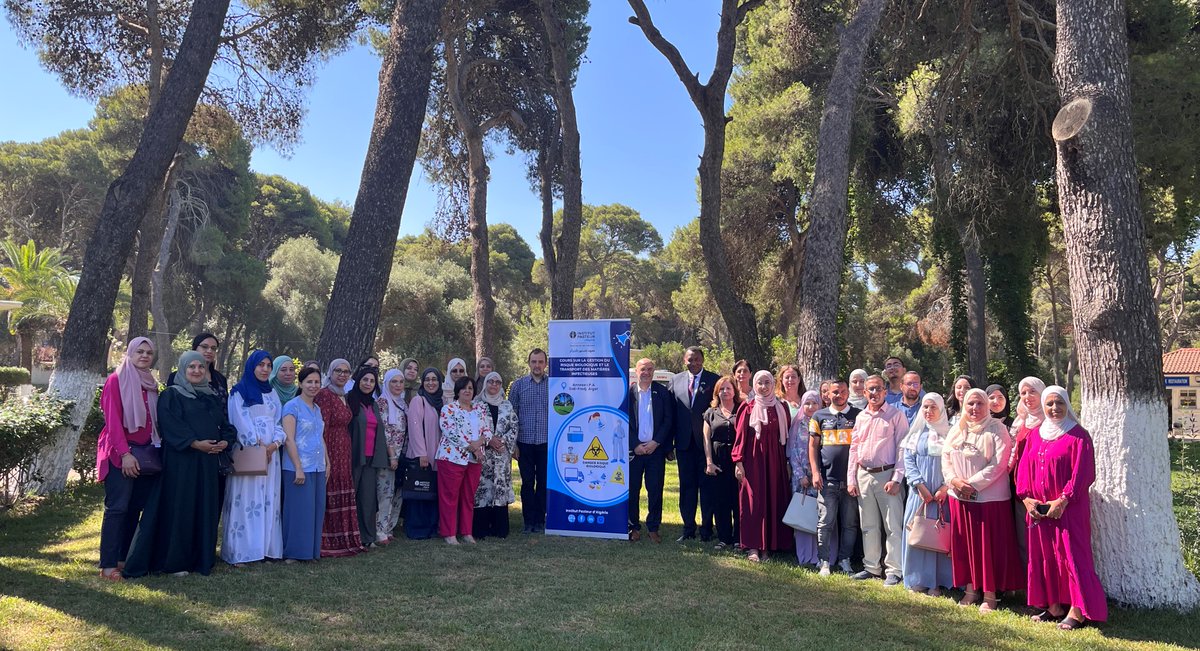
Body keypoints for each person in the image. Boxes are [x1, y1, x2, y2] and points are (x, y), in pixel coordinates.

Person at [122, 351, 236, 578]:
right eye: (191, 367)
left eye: (201, 367)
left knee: (204, 508)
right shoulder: (171, 396)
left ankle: (200, 559)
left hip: (207, 464)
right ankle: (174, 561)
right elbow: (171, 425)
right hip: (181, 464)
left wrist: (225, 440)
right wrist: (195, 444)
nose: (196, 371)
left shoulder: (211, 395)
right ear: (183, 370)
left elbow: (225, 424)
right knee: (181, 509)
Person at [1016, 386, 1107, 630]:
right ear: (1043, 407)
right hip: (1038, 510)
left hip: (1069, 510)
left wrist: (1063, 500)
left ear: (1067, 404)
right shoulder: (1035, 435)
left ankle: (1077, 611)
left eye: (1059, 403)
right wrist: (1026, 499)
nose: (1054, 408)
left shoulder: (1078, 436)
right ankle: (1053, 606)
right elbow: (1023, 470)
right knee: (1045, 556)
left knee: (1071, 556)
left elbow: (1083, 474)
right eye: (1049, 404)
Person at [942, 387, 1023, 612]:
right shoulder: (957, 429)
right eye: (970, 404)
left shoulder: (997, 429)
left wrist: (972, 485)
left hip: (989, 500)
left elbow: (999, 464)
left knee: (989, 548)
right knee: (967, 546)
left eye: (980, 404)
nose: (975, 408)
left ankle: (990, 595)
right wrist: (954, 482)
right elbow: (945, 457)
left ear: (987, 406)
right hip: (959, 497)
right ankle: (970, 590)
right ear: (964, 405)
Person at [96, 336, 161, 581]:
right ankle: (108, 565)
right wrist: (125, 455)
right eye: (139, 352)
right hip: (120, 453)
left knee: (135, 508)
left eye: (148, 352)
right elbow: (113, 422)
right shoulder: (117, 379)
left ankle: (124, 558)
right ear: (130, 353)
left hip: (145, 454)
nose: (144, 356)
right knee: (117, 508)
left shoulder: (151, 383)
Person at [222, 350, 286, 566]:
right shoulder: (239, 392)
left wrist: (274, 444)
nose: (265, 369)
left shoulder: (272, 393)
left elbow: (278, 422)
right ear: (252, 366)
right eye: (261, 365)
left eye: (268, 365)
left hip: (271, 455)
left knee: (268, 499)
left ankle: (265, 549)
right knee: (248, 500)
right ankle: (243, 552)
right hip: (251, 454)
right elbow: (240, 422)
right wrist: (259, 446)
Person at [848, 375, 908, 585]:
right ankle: (872, 567)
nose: (874, 393)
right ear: (864, 393)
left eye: (878, 389)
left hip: (887, 475)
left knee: (892, 525)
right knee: (869, 524)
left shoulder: (895, 415)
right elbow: (854, 448)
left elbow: (902, 448)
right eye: (870, 390)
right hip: (864, 474)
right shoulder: (861, 417)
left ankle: (894, 570)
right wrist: (851, 479)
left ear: (885, 392)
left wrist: (897, 478)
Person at [733, 370, 793, 562]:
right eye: (760, 383)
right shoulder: (748, 407)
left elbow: (787, 437)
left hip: (775, 461)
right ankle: (753, 546)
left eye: (767, 383)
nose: (763, 386)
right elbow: (740, 437)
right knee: (754, 502)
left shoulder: (781, 407)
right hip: (753, 461)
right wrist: (738, 462)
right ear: (755, 385)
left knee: (773, 500)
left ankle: (769, 546)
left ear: (773, 384)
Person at [900, 393, 954, 596]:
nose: (929, 411)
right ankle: (916, 578)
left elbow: (954, 462)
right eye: (925, 407)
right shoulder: (915, 435)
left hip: (941, 496)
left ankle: (936, 581)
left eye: (933, 407)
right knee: (917, 533)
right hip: (919, 494)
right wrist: (918, 485)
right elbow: (909, 461)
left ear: (941, 409)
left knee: (937, 535)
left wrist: (944, 488)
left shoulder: (949, 434)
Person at [809, 379, 862, 576]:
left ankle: (845, 560)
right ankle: (823, 561)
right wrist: (815, 472)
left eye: (842, 391)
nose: (838, 395)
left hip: (851, 481)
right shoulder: (819, 415)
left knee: (850, 523)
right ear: (827, 394)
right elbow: (813, 446)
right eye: (834, 392)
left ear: (847, 393)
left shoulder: (858, 415)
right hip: (827, 479)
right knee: (825, 522)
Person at [669, 346, 720, 542]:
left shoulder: (714, 380)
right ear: (684, 360)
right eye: (690, 360)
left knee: (707, 490)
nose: (694, 363)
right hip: (683, 445)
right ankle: (688, 529)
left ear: (703, 360)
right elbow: (671, 413)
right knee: (687, 489)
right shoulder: (675, 380)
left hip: (706, 445)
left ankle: (707, 531)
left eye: (697, 359)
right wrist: (669, 446)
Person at [314, 359, 362, 556]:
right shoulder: (325, 395)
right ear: (330, 372)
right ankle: (328, 540)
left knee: (342, 488)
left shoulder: (344, 395)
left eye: (346, 371)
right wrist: (325, 457)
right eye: (338, 371)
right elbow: (322, 426)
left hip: (344, 448)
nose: (342, 374)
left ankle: (344, 537)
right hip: (330, 447)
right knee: (330, 488)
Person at [281, 366, 327, 562]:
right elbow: (289, 439)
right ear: (300, 384)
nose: (313, 385)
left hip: (317, 466)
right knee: (299, 510)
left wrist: (327, 462)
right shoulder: (292, 406)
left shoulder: (317, 409)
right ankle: (294, 552)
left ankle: (310, 551)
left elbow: (320, 437)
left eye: (317, 382)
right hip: (297, 467)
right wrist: (298, 467)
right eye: (309, 382)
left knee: (315, 509)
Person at [438, 376, 490, 545]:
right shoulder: (449, 409)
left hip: (474, 460)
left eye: (470, 388)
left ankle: (466, 532)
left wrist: (480, 443)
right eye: (464, 388)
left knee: (468, 496)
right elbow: (451, 433)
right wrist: (473, 448)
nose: (467, 391)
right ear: (457, 391)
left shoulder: (480, 409)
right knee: (450, 496)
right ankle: (449, 533)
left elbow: (488, 431)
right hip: (452, 457)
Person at [627, 358, 673, 543]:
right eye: (643, 369)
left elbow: (668, 420)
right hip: (634, 451)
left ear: (653, 372)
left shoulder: (662, 392)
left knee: (655, 489)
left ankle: (653, 527)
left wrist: (656, 442)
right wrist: (635, 445)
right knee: (632, 490)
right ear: (636, 372)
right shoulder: (627, 393)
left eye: (650, 369)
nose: (646, 372)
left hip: (655, 450)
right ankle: (633, 526)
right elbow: (622, 421)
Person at [347, 366, 390, 547]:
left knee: (368, 499)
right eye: (365, 380)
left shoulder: (373, 404)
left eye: (372, 381)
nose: (368, 384)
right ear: (358, 381)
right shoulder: (349, 400)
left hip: (371, 458)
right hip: (354, 456)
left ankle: (367, 537)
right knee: (351, 497)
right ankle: (350, 536)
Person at [473, 371, 518, 539]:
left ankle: (500, 529)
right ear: (485, 384)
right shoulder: (477, 404)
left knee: (499, 488)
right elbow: (473, 427)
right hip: (483, 454)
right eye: (490, 381)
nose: (494, 385)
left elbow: (514, 427)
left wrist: (502, 441)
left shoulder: (507, 405)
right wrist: (489, 440)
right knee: (483, 489)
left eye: (497, 382)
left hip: (501, 454)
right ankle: (481, 529)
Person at [510, 349, 550, 533]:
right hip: (524, 443)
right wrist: (513, 444)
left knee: (543, 482)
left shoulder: (553, 385)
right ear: (528, 363)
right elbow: (511, 416)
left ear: (545, 364)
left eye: (540, 362)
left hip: (545, 443)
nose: (537, 365)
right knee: (527, 483)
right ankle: (528, 521)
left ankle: (540, 520)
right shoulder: (518, 386)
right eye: (534, 361)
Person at [404, 368, 445, 539]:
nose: (431, 383)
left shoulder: (441, 402)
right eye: (427, 379)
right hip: (422, 455)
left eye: (434, 379)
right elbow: (414, 428)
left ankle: (431, 527)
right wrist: (422, 453)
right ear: (422, 382)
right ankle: (417, 529)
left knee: (431, 492)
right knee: (418, 492)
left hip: (437, 456)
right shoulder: (418, 401)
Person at [704, 376, 743, 549]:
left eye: (728, 388)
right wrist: (709, 462)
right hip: (718, 461)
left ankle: (738, 538)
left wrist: (742, 463)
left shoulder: (742, 410)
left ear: (734, 391)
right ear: (717, 392)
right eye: (721, 389)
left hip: (738, 462)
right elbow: (706, 439)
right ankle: (723, 537)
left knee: (738, 501)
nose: (725, 392)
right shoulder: (710, 413)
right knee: (720, 501)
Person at [787, 390, 821, 567]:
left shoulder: (823, 421)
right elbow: (792, 452)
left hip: (818, 478)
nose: (811, 407)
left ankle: (819, 556)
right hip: (801, 479)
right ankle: (804, 556)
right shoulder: (797, 424)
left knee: (818, 516)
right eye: (807, 403)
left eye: (814, 403)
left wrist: (817, 473)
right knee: (803, 515)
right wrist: (800, 475)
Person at [377, 369, 409, 543]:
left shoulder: (403, 403)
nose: (397, 385)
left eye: (400, 382)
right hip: (388, 455)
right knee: (385, 492)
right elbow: (384, 431)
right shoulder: (382, 402)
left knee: (398, 492)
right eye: (393, 382)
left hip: (402, 454)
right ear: (387, 383)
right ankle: (380, 530)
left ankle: (390, 528)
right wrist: (392, 456)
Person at [166, 332, 229, 402]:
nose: (209, 351)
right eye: (205, 347)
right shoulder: (177, 377)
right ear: (195, 348)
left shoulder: (220, 379)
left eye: (213, 348)